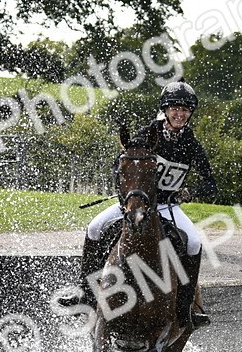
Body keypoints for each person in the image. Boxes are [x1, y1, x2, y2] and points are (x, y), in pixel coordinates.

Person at [59, 80, 216, 328]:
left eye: (185, 109)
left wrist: (188, 192)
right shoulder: (148, 134)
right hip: (136, 203)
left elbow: (211, 185)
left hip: (168, 206)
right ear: (165, 110)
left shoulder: (191, 145)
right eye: (174, 108)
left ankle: (187, 309)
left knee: (194, 243)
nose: (180, 114)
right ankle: (85, 293)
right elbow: (120, 165)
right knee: (94, 227)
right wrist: (127, 196)